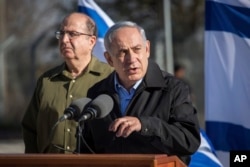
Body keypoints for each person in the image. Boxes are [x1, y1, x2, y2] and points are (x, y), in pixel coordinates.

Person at [80, 21, 200, 165]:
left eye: (137, 49)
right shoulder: (96, 93)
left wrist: (145, 125)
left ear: (147, 49)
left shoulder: (174, 89)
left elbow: (189, 140)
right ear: (109, 59)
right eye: (123, 52)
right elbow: (87, 149)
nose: (132, 59)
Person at [21, 12, 113, 153]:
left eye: (73, 34)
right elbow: (30, 128)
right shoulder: (47, 81)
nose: (64, 40)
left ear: (92, 41)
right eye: (61, 33)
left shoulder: (110, 77)